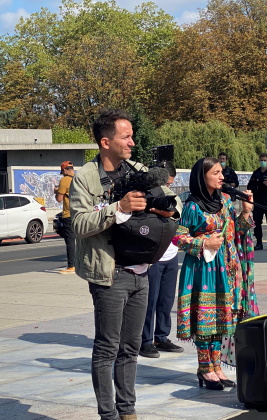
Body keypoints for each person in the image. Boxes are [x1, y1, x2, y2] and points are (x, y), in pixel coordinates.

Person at [70, 108, 181, 420]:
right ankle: (108, 415)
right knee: (107, 348)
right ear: (106, 142)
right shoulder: (85, 177)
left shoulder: (139, 169)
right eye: (126, 136)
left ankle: (128, 412)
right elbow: (78, 224)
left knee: (130, 349)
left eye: (132, 136)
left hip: (141, 273)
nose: (133, 142)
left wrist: (167, 209)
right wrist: (118, 207)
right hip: (109, 274)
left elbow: (175, 203)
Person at [173, 157, 259, 390]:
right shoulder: (192, 206)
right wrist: (203, 243)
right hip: (203, 268)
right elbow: (178, 237)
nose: (221, 177)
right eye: (216, 173)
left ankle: (217, 366)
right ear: (202, 177)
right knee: (205, 318)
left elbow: (237, 231)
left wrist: (246, 212)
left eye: (221, 172)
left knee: (221, 318)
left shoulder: (225, 201)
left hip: (227, 267)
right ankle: (205, 368)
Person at [139, 161, 184, 358]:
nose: (166, 188)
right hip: (152, 257)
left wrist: (161, 210)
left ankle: (162, 336)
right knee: (150, 300)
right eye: (164, 184)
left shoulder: (171, 196)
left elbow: (176, 214)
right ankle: (145, 341)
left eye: (169, 184)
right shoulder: (144, 195)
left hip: (171, 255)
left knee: (166, 300)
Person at [54, 161, 76, 274]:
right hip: (81, 213)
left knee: (70, 241)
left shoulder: (64, 180)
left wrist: (56, 191)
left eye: (62, 172)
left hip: (69, 214)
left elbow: (59, 199)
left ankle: (71, 266)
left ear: (65, 170)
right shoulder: (78, 179)